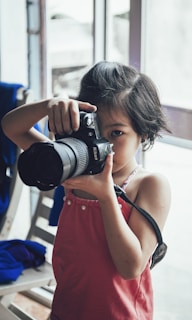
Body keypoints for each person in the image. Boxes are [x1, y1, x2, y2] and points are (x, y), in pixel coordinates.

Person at [2, 61, 171, 320]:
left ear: (144, 133)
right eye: (92, 129)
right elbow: (11, 127)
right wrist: (49, 105)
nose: (101, 143)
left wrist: (106, 196)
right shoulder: (74, 170)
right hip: (65, 311)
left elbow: (130, 266)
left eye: (116, 133)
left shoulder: (148, 185)